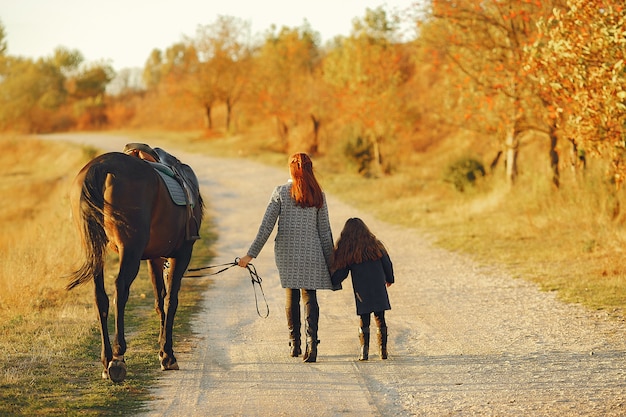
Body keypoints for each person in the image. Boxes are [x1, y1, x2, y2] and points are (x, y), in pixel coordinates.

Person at [238, 153, 334, 363]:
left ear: (291, 169)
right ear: (309, 169)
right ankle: (312, 343)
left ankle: (294, 343)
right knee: (310, 295)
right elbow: (325, 232)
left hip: (286, 251)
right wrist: (332, 262)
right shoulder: (318, 194)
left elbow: (266, 226)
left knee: (291, 295)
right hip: (312, 251)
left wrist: (250, 255)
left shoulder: (281, 192)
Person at [330, 218, 394, 361]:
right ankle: (382, 351)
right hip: (378, 287)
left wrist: (332, 281)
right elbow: (387, 263)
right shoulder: (376, 246)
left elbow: (342, 272)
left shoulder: (350, 252)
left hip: (362, 291)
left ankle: (363, 352)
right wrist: (390, 278)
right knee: (380, 317)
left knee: (364, 319)